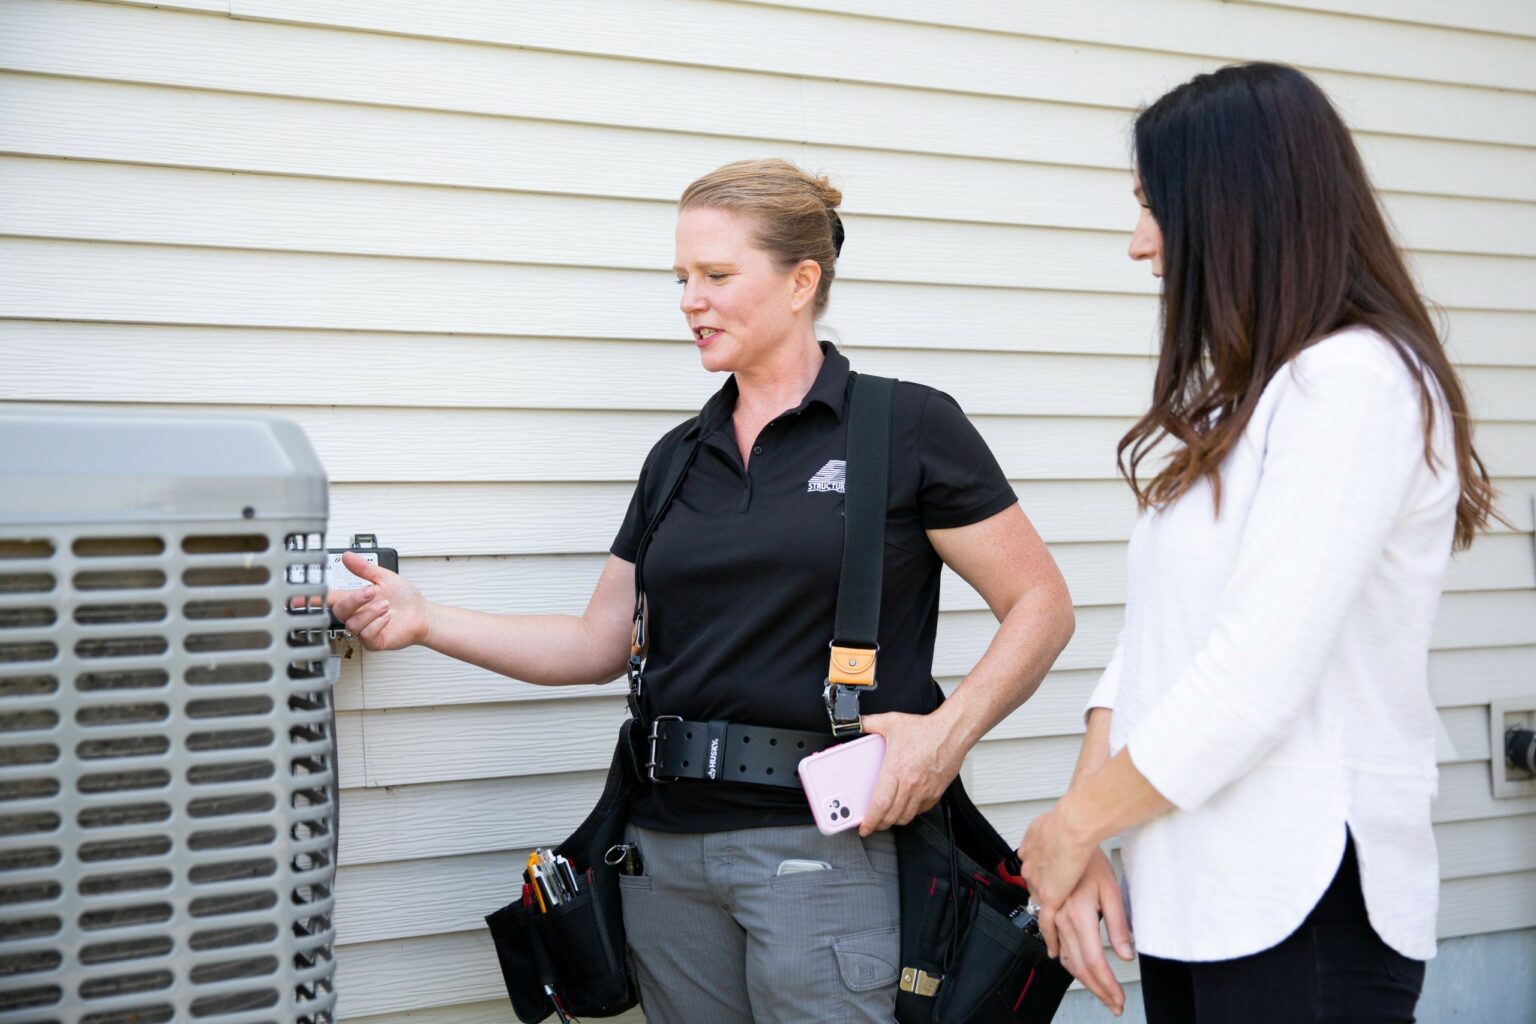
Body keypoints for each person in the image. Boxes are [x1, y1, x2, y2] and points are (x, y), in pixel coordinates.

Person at [329, 157, 1076, 1022]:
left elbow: (1043, 606)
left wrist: (944, 738)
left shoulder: (906, 427)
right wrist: (423, 619)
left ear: (802, 281)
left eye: (717, 276)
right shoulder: (677, 457)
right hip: (664, 859)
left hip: (828, 853)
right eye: (682, 278)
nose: (690, 300)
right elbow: (595, 644)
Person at [1017, 63, 1502, 1023]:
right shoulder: (1252, 404)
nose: (1138, 244)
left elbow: (1255, 672)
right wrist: (1085, 842)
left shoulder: (1357, 383)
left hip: (1302, 900)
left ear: (1231, 210)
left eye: (1153, 208)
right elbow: (1156, 642)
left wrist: (1071, 829)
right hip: (1195, 894)